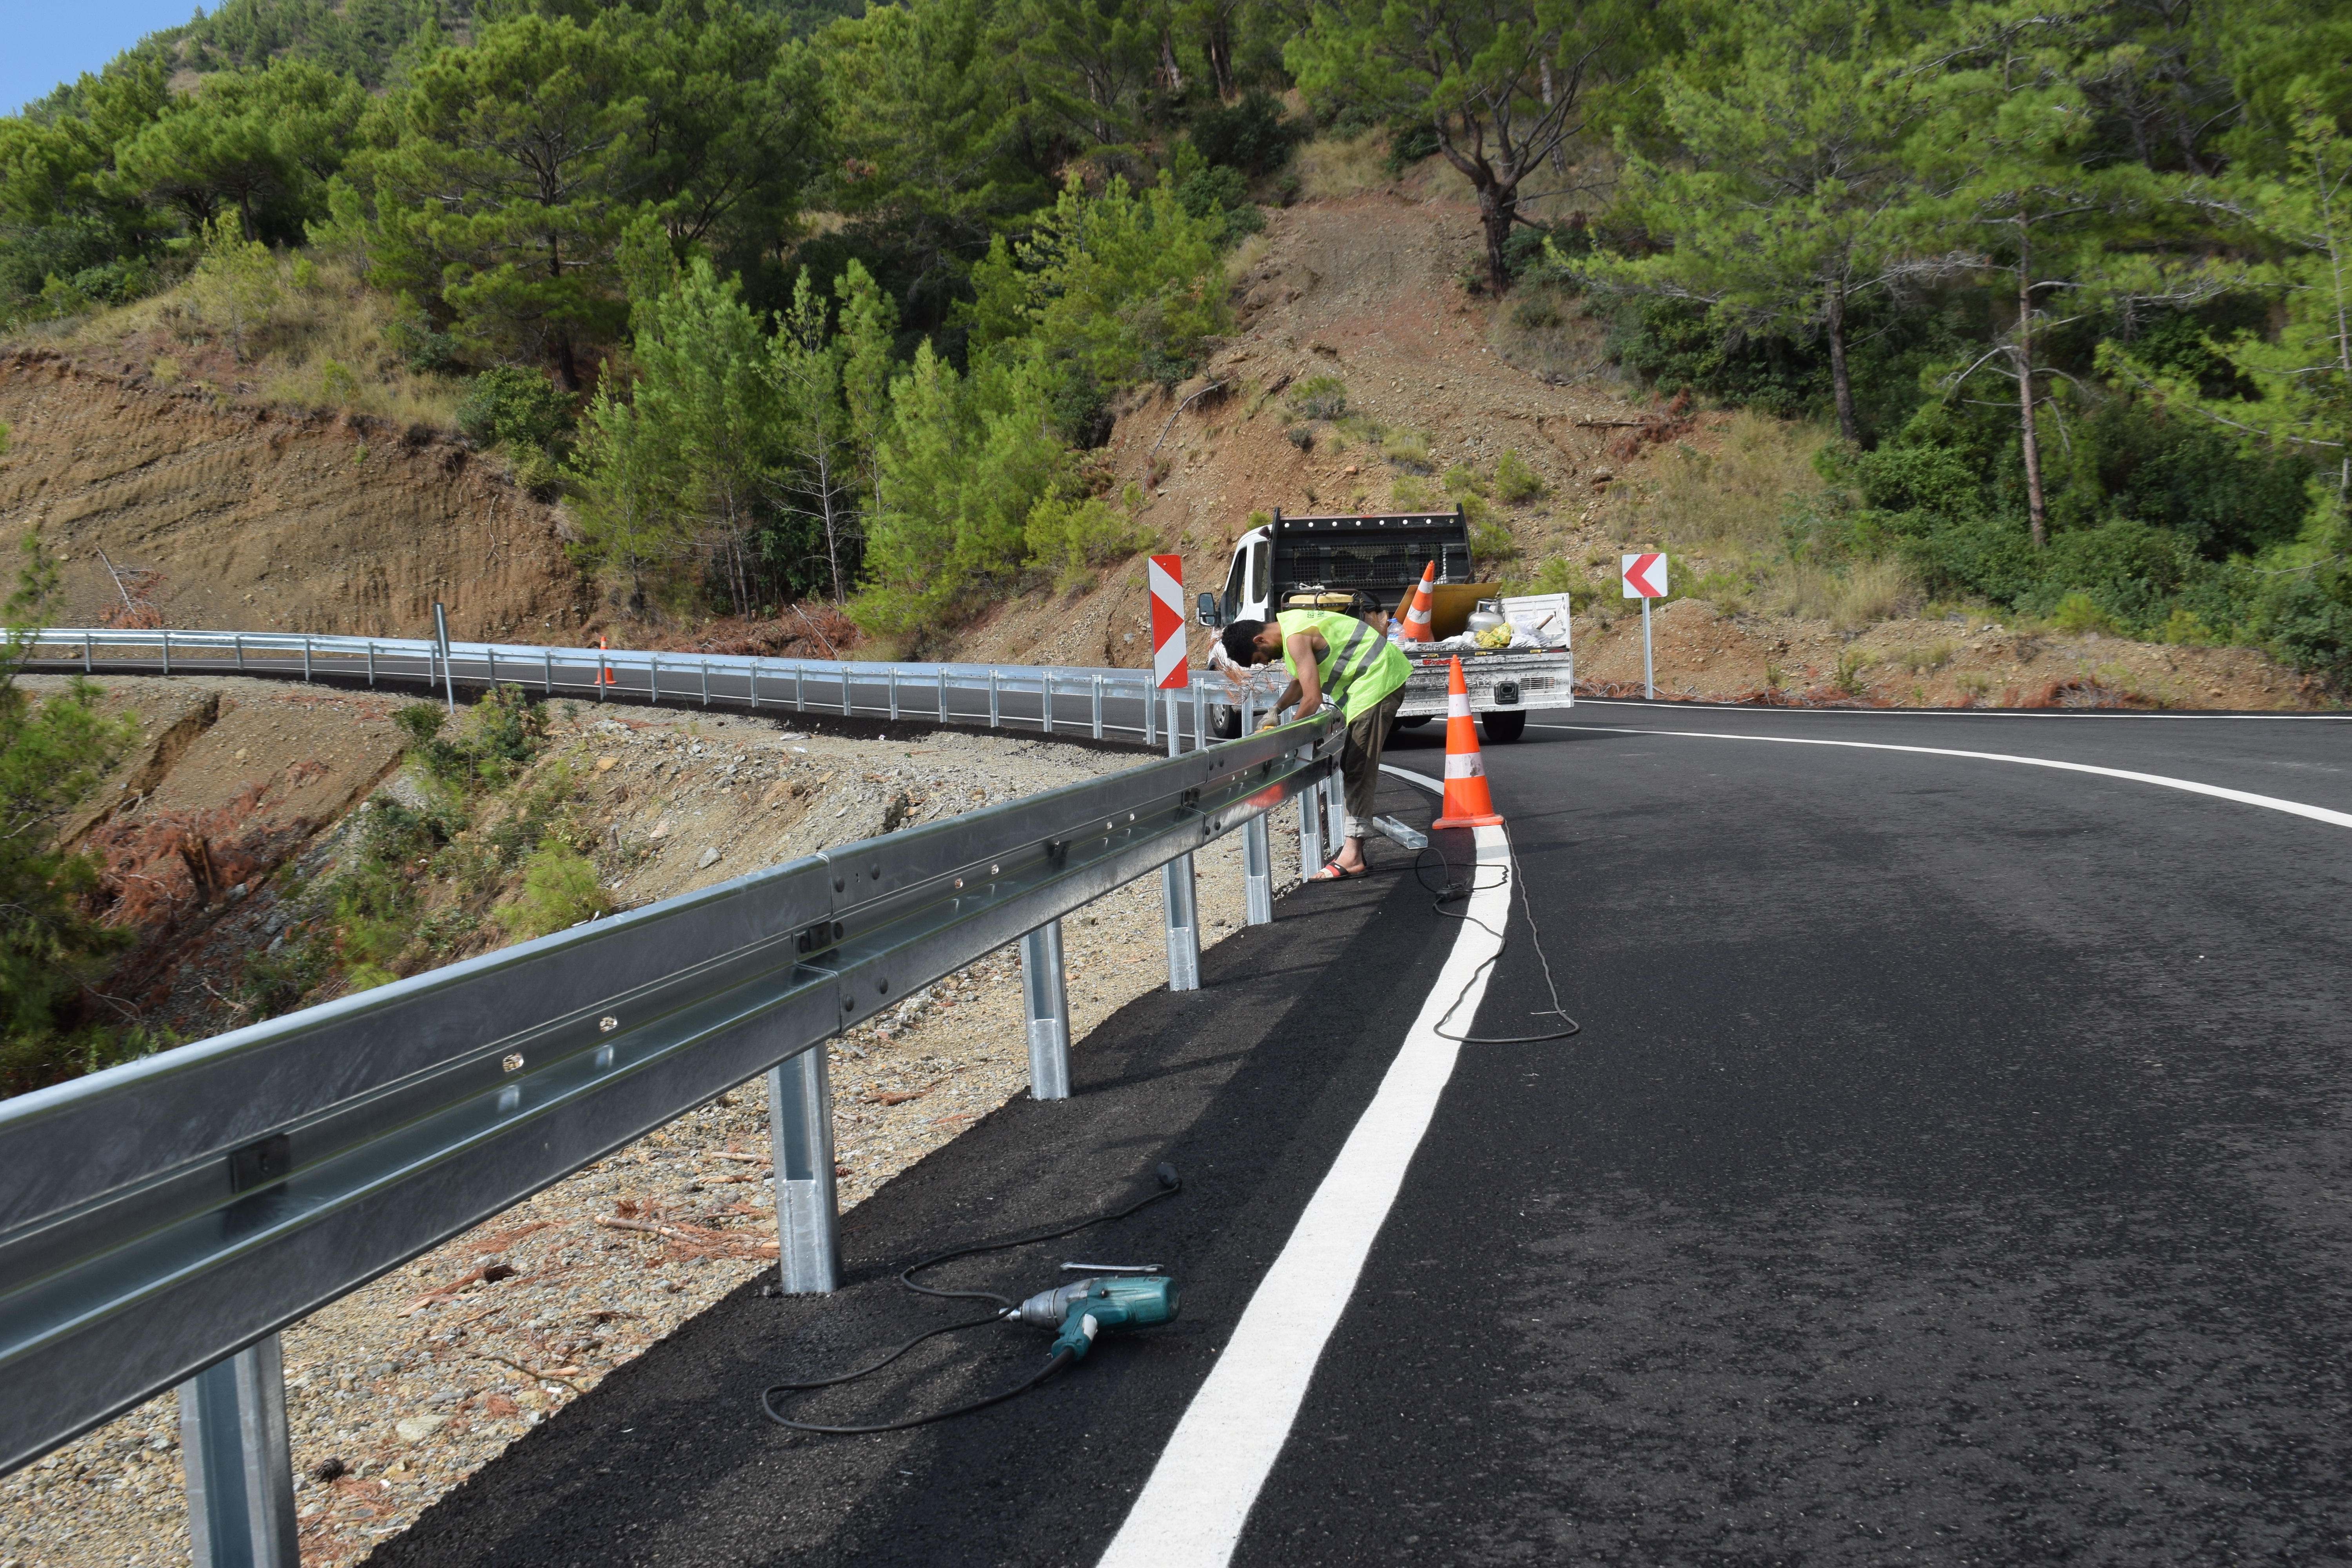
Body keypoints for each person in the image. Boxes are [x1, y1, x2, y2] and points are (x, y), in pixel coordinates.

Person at [1218, 607, 1410, 880]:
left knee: (1358, 767)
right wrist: (1277, 709)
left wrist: (1288, 738)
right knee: (1352, 764)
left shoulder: (1295, 638)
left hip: (1378, 680)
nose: (1264, 664)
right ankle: (1353, 850)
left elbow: (1312, 698)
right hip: (1375, 679)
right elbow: (1302, 680)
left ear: (1259, 641)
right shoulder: (1291, 624)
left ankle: (1353, 855)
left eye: (1260, 659)